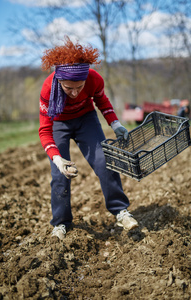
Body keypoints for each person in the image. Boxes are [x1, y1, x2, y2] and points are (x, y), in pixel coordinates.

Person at [39, 36, 138, 240]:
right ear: (59, 80)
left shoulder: (94, 79)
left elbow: (101, 100)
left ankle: (120, 211)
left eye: (79, 87)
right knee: (60, 175)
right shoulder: (48, 89)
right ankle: (60, 223)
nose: (75, 93)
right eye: (69, 88)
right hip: (59, 124)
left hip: (86, 119)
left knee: (105, 162)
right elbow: (45, 130)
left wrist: (115, 123)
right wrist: (57, 159)